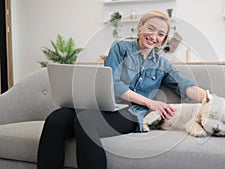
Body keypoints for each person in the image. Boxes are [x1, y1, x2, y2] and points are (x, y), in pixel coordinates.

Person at [37, 10, 206, 169]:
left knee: (85, 121)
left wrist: (209, 99)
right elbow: (113, 83)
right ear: (140, 26)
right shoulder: (120, 48)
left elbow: (184, 85)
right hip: (102, 103)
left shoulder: (163, 65)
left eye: (160, 34)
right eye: (150, 28)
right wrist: (151, 102)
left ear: (163, 39)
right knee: (55, 120)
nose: (154, 36)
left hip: (131, 113)